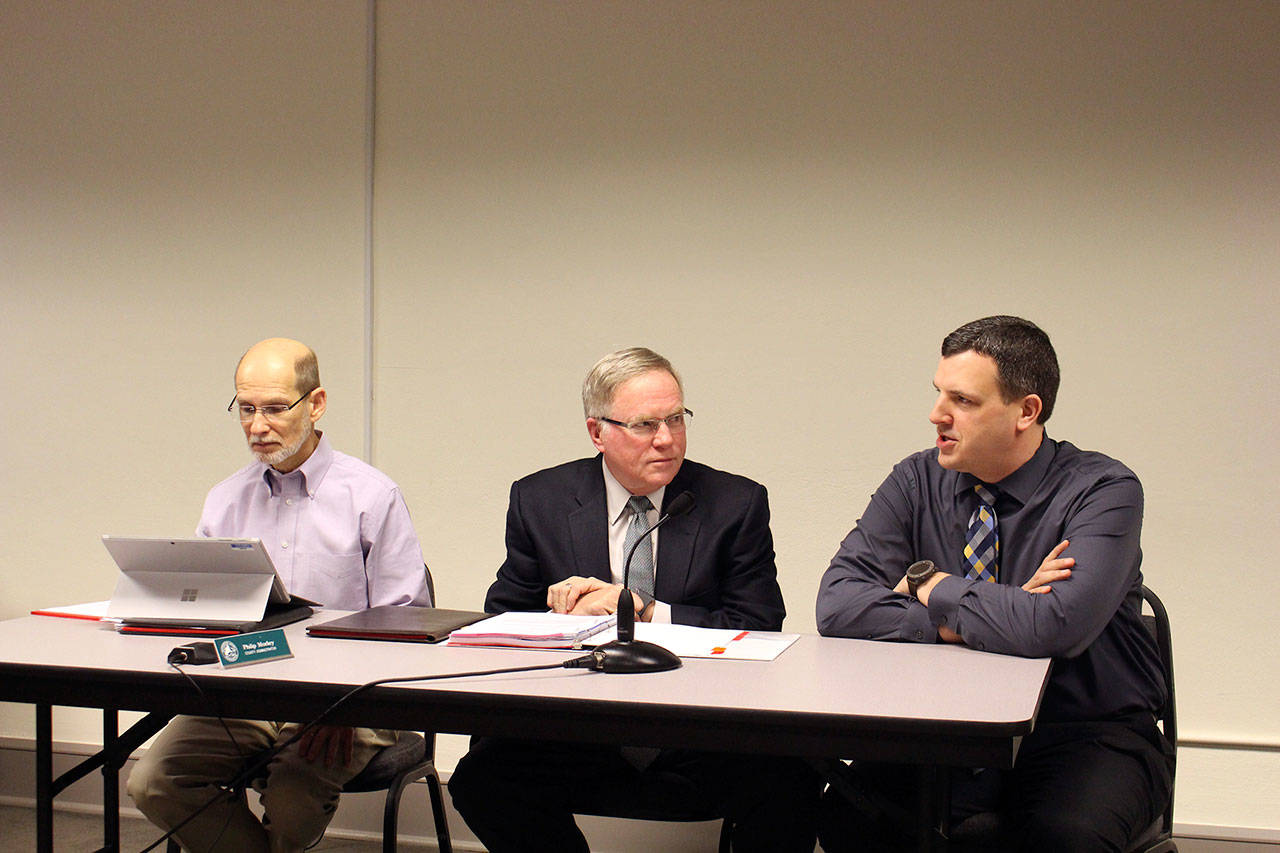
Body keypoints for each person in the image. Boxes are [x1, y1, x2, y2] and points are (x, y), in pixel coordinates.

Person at [816, 316, 1172, 852]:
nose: (937, 415)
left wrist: (929, 585)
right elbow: (837, 603)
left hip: (1082, 731)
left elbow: (1055, 628)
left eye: (963, 400)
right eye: (939, 394)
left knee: (1063, 839)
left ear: (1026, 412)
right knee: (848, 818)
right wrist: (982, 620)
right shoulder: (915, 479)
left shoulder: (1103, 490)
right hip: (942, 728)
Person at [449, 346, 821, 852]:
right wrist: (561, 617)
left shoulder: (735, 503)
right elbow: (501, 619)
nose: (666, 440)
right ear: (597, 432)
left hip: (703, 732)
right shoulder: (541, 499)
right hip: (577, 733)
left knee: (792, 780)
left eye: (675, 419)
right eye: (645, 425)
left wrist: (643, 610)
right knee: (481, 778)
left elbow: (757, 622)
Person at [127, 338, 430, 853]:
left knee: (292, 792)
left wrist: (345, 704)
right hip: (244, 690)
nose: (257, 426)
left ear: (315, 404)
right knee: (153, 781)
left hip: (348, 696)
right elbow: (209, 611)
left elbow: (405, 621)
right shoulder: (225, 499)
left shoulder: (372, 496)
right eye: (245, 409)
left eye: (273, 408)